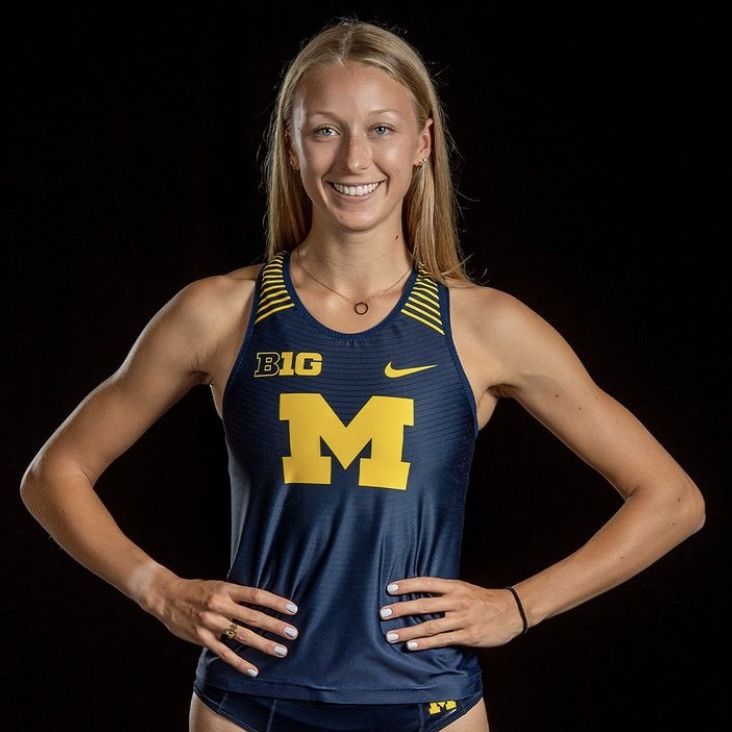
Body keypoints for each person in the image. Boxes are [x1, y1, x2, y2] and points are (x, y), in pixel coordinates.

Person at [19, 16, 705, 732]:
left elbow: (671, 499)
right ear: (290, 145)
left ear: (422, 145)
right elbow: (53, 474)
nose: (354, 159)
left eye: (381, 129)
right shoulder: (218, 313)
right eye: (324, 130)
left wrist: (518, 606)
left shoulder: (484, 326)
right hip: (249, 702)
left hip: (430, 703)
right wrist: (157, 590)